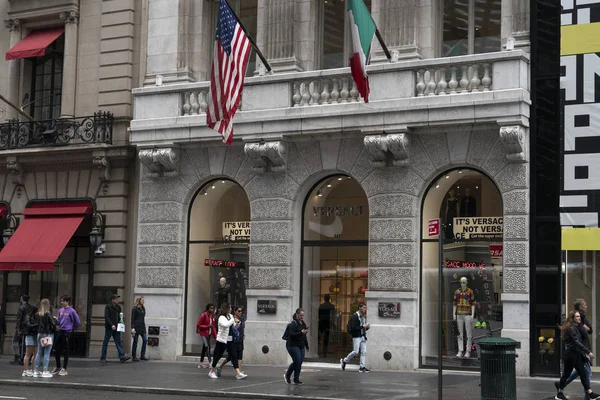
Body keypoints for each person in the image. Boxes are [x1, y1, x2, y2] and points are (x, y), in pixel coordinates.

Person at [555, 310, 600, 400]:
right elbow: (576, 342)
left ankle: (590, 393)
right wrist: (588, 352)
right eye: (577, 316)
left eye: (579, 316)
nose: (579, 318)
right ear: (573, 318)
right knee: (566, 374)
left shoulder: (576, 327)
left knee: (583, 374)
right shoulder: (571, 328)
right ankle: (559, 393)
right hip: (570, 355)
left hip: (577, 355)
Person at [559, 299, 594, 399]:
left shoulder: (582, 319)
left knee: (581, 372)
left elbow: (590, 329)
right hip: (579, 351)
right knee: (585, 372)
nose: (586, 306)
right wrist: (587, 351)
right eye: (584, 305)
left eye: (579, 317)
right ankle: (588, 394)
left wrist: (587, 328)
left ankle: (561, 385)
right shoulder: (575, 325)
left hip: (581, 350)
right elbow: (578, 338)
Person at [208, 303, 246, 380]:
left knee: (234, 355)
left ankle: (238, 373)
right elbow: (225, 325)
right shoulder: (221, 317)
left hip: (230, 340)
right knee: (217, 356)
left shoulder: (230, 316)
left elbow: (233, 326)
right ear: (226, 309)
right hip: (222, 340)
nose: (231, 309)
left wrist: (237, 323)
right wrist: (233, 320)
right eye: (229, 308)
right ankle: (211, 371)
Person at [52, 295, 81, 376]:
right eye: (61, 301)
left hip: (67, 332)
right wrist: (56, 320)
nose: (62, 302)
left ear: (67, 302)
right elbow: (59, 322)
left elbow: (77, 322)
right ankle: (58, 366)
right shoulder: (60, 310)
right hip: (60, 331)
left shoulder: (72, 311)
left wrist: (71, 328)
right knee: (56, 349)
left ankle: (64, 368)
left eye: (63, 301)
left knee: (66, 350)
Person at [341, 301, 370, 373]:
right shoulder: (355, 316)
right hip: (357, 336)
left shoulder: (363, 317)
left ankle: (362, 367)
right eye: (363, 308)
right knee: (356, 351)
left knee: (364, 352)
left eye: (365, 308)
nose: (365, 309)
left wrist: (367, 327)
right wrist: (363, 326)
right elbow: (354, 327)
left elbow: (364, 327)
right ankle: (345, 360)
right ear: (359, 308)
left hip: (363, 336)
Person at [100, 294, 130, 363]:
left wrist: (122, 322)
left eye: (117, 299)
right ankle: (103, 357)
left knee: (118, 341)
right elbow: (107, 317)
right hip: (110, 327)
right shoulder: (108, 307)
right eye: (116, 299)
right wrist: (111, 325)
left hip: (117, 327)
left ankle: (122, 356)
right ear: (112, 300)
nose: (117, 300)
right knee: (106, 341)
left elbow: (120, 316)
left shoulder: (118, 307)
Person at [284, 308, 309, 385]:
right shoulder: (294, 323)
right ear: (297, 315)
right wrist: (300, 333)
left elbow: (304, 336)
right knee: (297, 361)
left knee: (299, 362)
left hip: (301, 345)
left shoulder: (303, 323)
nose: (302, 317)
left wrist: (307, 345)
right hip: (292, 345)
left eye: (303, 315)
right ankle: (287, 375)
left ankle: (296, 379)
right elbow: (291, 334)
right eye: (300, 315)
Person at [218, 305, 245, 374]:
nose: (240, 312)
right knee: (231, 356)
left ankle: (239, 372)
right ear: (235, 311)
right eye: (239, 311)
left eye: (241, 311)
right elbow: (231, 329)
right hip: (232, 340)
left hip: (240, 339)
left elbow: (241, 329)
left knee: (240, 355)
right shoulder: (231, 318)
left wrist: (243, 335)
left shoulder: (241, 319)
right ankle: (220, 366)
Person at [33, 298, 55, 378]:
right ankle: (45, 370)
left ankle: (36, 370)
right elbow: (53, 324)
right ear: (48, 305)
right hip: (48, 334)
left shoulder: (38, 314)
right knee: (47, 353)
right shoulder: (48, 313)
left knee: (39, 352)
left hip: (40, 334)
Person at [12, 294, 33, 365]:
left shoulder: (21, 307)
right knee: (25, 343)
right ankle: (26, 356)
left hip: (22, 327)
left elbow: (19, 319)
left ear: (22, 299)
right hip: (29, 327)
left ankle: (17, 357)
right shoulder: (31, 307)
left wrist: (18, 328)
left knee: (15, 341)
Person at [196, 303, 216, 368]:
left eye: (213, 308)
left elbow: (213, 327)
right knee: (207, 346)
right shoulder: (203, 315)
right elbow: (199, 325)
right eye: (211, 308)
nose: (212, 309)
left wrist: (216, 336)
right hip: (203, 333)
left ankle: (201, 363)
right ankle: (210, 362)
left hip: (208, 333)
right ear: (208, 308)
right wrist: (207, 326)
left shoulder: (212, 316)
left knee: (204, 348)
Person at [21, 306, 38, 377]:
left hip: (35, 335)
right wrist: (38, 325)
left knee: (35, 354)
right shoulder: (28, 317)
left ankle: (33, 369)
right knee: (28, 354)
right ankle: (25, 370)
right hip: (30, 335)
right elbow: (28, 325)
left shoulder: (35, 317)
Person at [131, 297, 148, 362]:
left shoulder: (143, 308)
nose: (143, 301)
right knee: (135, 341)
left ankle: (142, 355)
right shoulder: (134, 309)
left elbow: (143, 318)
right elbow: (132, 319)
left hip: (142, 327)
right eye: (142, 300)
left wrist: (144, 328)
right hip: (136, 327)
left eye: (144, 300)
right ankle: (134, 356)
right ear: (139, 301)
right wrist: (132, 328)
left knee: (145, 339)